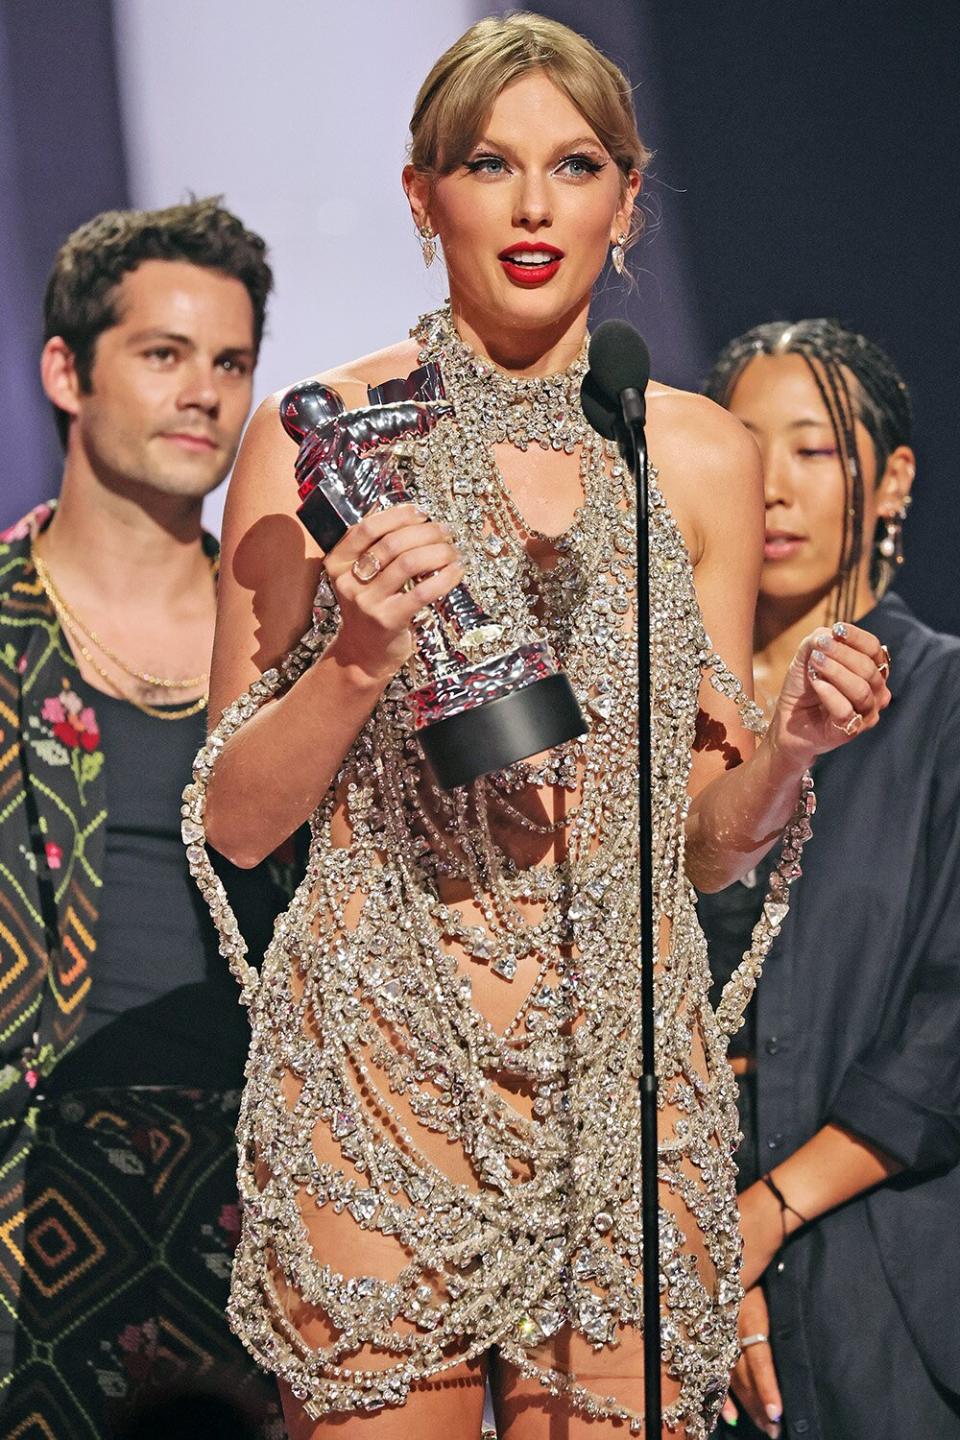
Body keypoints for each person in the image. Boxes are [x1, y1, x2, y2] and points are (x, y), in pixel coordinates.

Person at [188, 17, 889, 1440]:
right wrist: (360, 658)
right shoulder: (320, 433)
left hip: (629, 1090)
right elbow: (238, 819)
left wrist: (796, 746)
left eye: (573, 166)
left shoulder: (694, 452)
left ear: (627, 201)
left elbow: (699, 845)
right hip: (383, 1079)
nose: (529, 206)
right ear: (418, 193)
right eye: (488, 165)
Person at [0, 198, 288, 1437]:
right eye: (164, 355)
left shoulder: (288, 637)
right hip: (28, 1186)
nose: (204, 396)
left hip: (259, 1182)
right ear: (68, 369)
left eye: (230, 364)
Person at [699, 319, 960, 1440]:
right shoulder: (675, 708)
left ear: (891, 478)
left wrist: (765, 1213)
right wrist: (705, 1231)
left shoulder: (945, 704)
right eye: (745, 448)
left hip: (889, 1269)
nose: (774, 486)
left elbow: (947, 1026)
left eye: (812, 449)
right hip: (664, 1263)